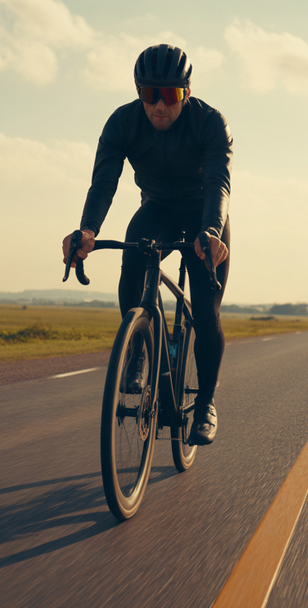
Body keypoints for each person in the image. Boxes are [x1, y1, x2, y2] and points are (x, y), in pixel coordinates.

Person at [62, 44, 232, 445]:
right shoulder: (122, 123)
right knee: (133, 266)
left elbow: (217, 184)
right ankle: (138, 348)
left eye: (169, 94)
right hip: (156, 208)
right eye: (149, 94)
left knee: (206, 312)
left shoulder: (210, 123)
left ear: (186, 93)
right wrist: (86, 230)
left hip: (202, 214)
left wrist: (210, 231)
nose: (158, 105)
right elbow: (104, 183)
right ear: (138, 91)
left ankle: (205, 403)